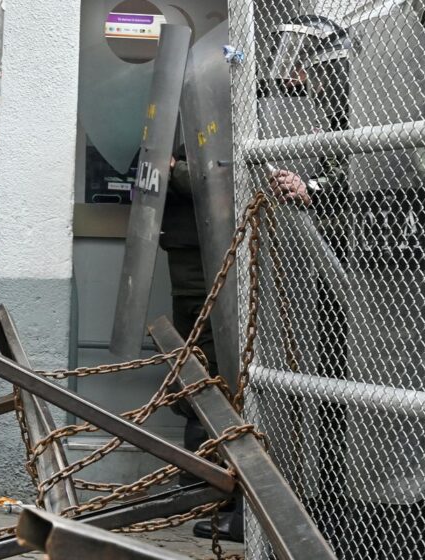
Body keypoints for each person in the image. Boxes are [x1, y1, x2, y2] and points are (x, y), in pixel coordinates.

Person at [160, 151, 243, 543]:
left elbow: (215, 179)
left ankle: (213, 490)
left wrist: (178, 170)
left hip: (216, 256)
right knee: (196, 372)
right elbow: (160, 168)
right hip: (193, 259)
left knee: (212, 374)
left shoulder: (242, 108)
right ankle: (203, 487)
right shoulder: (196, 109)